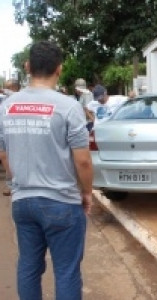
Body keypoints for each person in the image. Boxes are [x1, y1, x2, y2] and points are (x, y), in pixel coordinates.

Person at [0, 41, 93, 299]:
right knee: (66, 270)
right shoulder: (69, 107)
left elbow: (3, 153)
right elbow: (83, 161)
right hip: (61, 201)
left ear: (28, 66)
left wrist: (16, 179)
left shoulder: (6, 107)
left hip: (23, 201)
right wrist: (87, 192)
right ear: (59, 69)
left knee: (29, 266)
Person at [0, 79, 21, 197]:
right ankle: (11, 183)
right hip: (2, 129)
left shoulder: (19, 96)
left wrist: (3, 90)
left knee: (14, 156)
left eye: (7, 87)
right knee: (4, 156)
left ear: (14, 88)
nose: (4, 88)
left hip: (14, 129)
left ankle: (15, 184)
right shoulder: (4, 99)